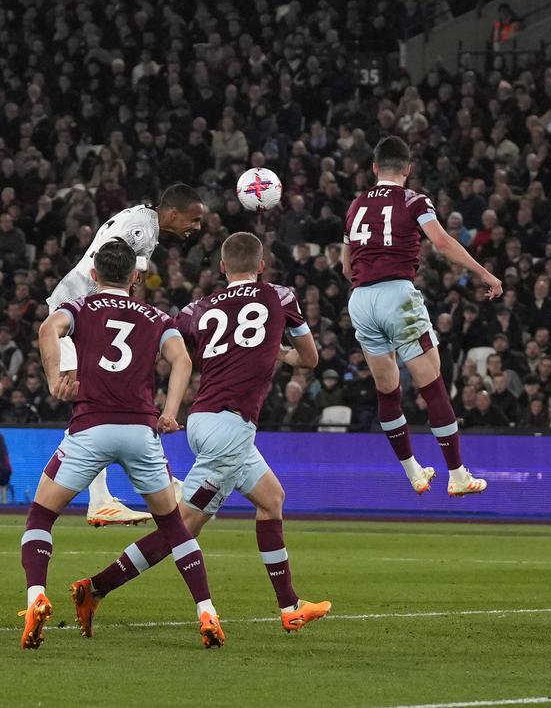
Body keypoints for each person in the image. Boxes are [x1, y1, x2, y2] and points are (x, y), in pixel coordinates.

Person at [71, 232, 331, 637]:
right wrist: (279, 351)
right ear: (262, 266)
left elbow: (164, 345)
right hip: (231, 427)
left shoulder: (198, 308)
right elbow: (310, 359)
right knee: (183, 526)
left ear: (222, 268)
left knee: (271, 499)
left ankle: (290, 606)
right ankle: (96, 587)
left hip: (206, 419)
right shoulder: (280, 297)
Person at [22, 240, 220, 649]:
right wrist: (170, 411)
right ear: (135, 277)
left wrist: (55, 379)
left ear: (94, 275)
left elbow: (47, 329)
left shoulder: (79, 307)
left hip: (90, 427)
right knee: (174, 526)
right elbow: (182, 360)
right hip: (139, 431)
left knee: (40, 516)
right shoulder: (156, 316)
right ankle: (207, 611)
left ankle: (36, 597)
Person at [343, 136, 501, 496]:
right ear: (408, 168)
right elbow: (442, 243)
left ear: (374, 167)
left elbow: (346, 266)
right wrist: (484, 273)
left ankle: (414, 472)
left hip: (360, 299)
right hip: (397, 294)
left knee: (387, 390)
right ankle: (457, 475)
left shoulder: (355, 204)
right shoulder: (414, 200)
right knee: (432, 384)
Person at [46, 183, 205, 527]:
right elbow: (109, 263)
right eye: (193, 219)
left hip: (88, 313)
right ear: (173, 213)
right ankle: (102, 499)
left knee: (101, 400)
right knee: (96, 399)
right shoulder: (140, 229)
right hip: (80, 314)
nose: (197, 227)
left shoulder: (145, 224)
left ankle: (114, 494)